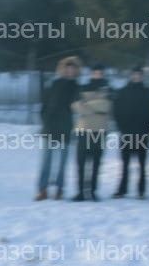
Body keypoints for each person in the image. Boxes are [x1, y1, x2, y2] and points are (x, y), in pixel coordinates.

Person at [36, 56, 80, 200]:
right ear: (62, 69)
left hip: (66, 129)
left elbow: (77, 107)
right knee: (46, 160)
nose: (69, 71)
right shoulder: (53, 85)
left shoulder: (76, 87)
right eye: (67, 68)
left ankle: (60, 190)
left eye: (72, 68)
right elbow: (44, 107)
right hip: (50, 128)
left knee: (63, 162)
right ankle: (42, 190)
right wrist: (46, 123)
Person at [112, 65, 149, 198]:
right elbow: (116, 110)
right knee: (125, 164)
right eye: (135, 74)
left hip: (142, 133)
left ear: (142, 76)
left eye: (139, 74)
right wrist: (121, 126)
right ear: (131, 75)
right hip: (126, 132)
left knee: (142, 165)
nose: (137, 76)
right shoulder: (123, 91)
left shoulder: (147, 92)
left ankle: (141, 191)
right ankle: (122, 189)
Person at [71, 64, 111, 201]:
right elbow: (76, 106)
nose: (97, 75)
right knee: (81, 163)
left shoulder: (108, 88)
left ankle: (93, 192)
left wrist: (87, 104)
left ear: (103, 74)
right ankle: (80, 192)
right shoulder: (83, 87)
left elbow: (107, 106)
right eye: (95, 72)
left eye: (100, 72)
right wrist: (96, 107)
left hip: (100, 131)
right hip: (83, 130)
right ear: (91, 73)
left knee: (96, 163)